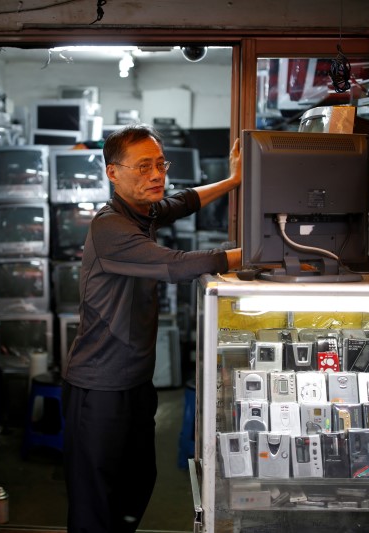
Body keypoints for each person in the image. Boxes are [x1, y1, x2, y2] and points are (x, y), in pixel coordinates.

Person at [61, 123, 242, 533]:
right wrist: (258, 255)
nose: (156, 175)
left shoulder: (142, 211)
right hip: (99, 387)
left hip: (135, 382)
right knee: (96, 507)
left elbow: (183, 201)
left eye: (160, 164)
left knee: (136, 486)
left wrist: (233, 181)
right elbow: (175, 266)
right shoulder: (109, 227)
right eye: (143, 167)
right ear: (113, 173)